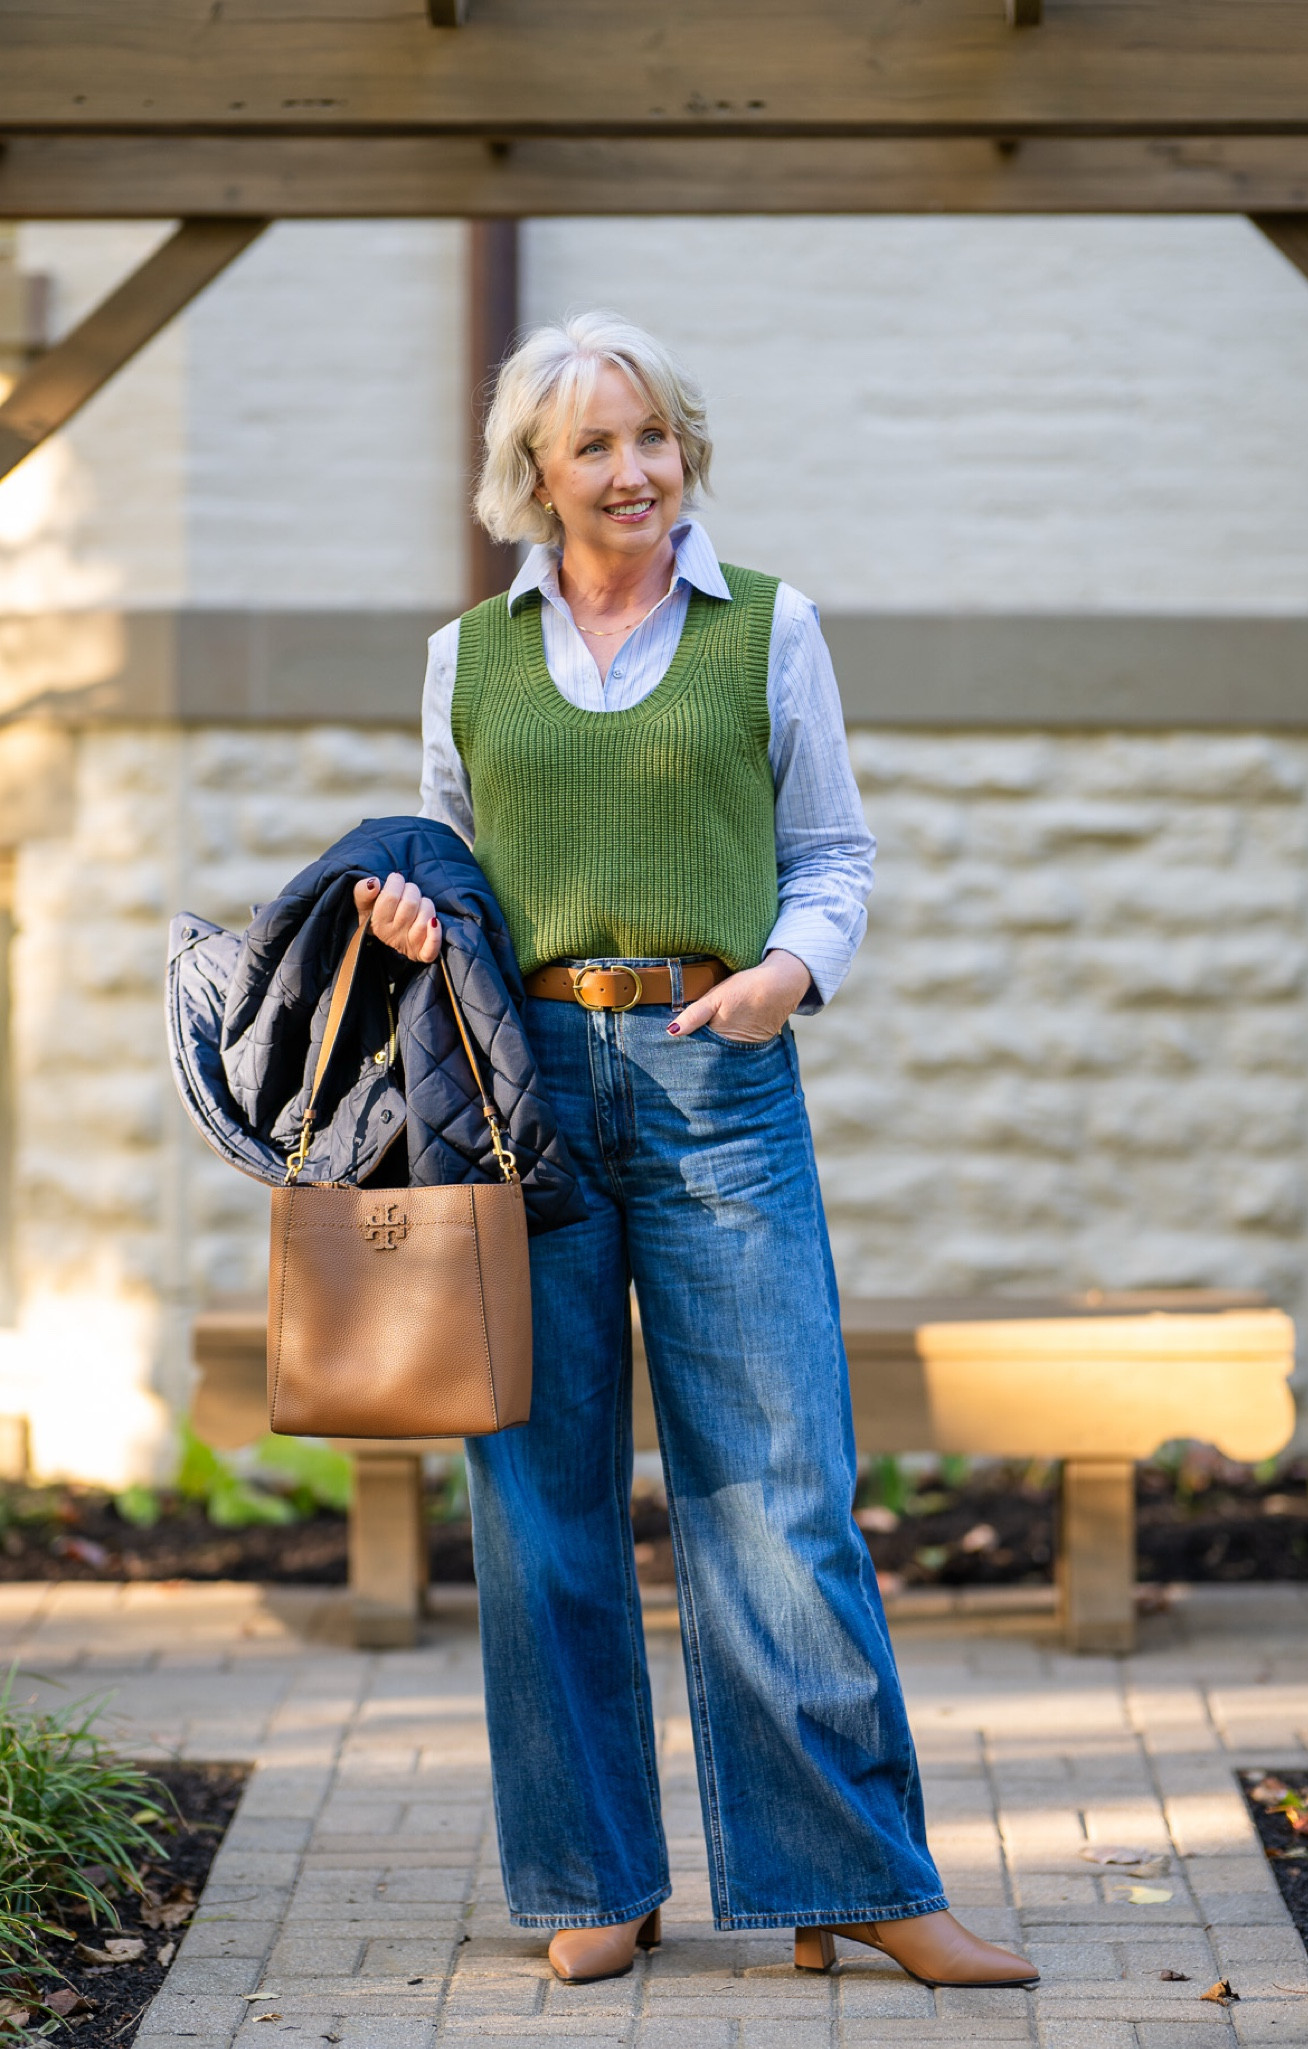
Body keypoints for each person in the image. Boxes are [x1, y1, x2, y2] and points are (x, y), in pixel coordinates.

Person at [354, 311, 1038, 1993]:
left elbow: (833, 853)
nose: (633, 467)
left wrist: (784, 977)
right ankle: (598, 1873)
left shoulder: (767, 631)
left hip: (713, 1070)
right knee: (538, 1499)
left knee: (777, 1488)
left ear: (684, 451)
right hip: (520, 1100)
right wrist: (408, 916)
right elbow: (455, 863)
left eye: (651, 435)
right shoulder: (468, 658)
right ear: (535, 475)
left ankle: (855, 1875)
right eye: (594, 443)